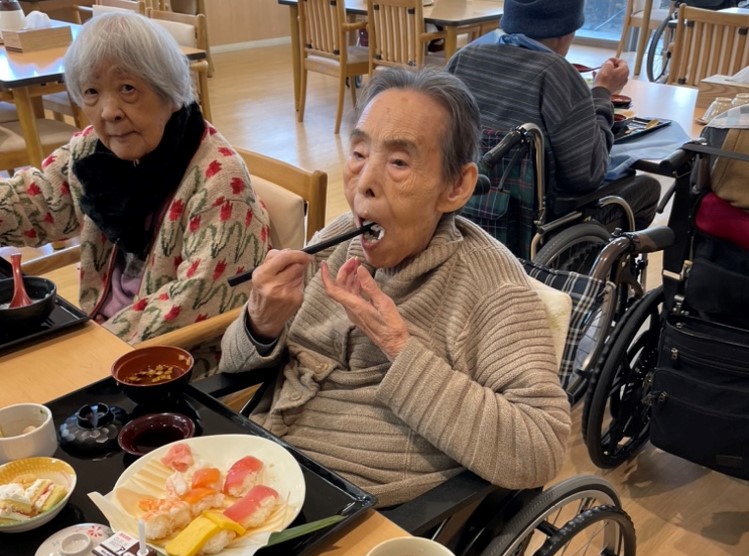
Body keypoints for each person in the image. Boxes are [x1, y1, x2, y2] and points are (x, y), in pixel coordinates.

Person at [220, 67, 571, 507]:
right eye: (359, 153)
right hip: (260, 462)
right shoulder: (340, 238)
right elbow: (232, 365)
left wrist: (399, 347)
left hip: (358, 507)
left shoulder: (490, 286)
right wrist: (260, 324)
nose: (364, 182)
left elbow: (541, 448)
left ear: (456, 186)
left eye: (399, 162)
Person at [0, 12, 270, 374]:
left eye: (127, 88)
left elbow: (191, 304)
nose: (109, 112)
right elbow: (37, 202)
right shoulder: (93, 153)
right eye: (92, 92)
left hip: (173, 366)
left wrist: (79, 354)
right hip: (97, 338)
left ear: (168, 91)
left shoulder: (221, 184)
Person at [446, 0, 661, 233]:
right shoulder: (557, 76)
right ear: (566, 31)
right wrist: (602, 92)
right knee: (648, 188)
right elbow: (588, 175)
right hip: (533, 231)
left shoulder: (462, 58)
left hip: (458, 217)